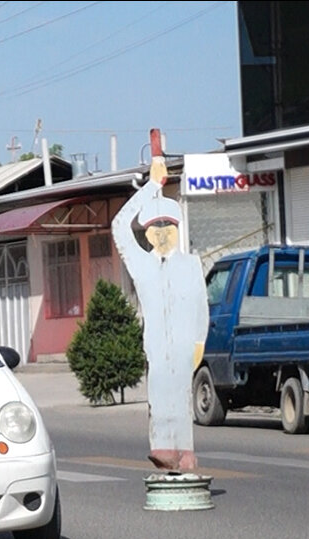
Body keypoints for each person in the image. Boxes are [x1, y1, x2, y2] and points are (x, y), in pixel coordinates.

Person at [111, 142, 209, 472]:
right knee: (161, 397)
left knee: (181, 398)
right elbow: (118, 226)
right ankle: (163, 448)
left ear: (178, 230)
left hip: (184, 345)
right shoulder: (142, 264)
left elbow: (200, 305)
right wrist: (152, 185)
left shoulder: (191, 264)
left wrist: (199, 341)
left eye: (169, 227)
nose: (163, 234)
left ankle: (186, 452)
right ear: (148, 234)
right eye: (156, 228)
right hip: (156, 345)